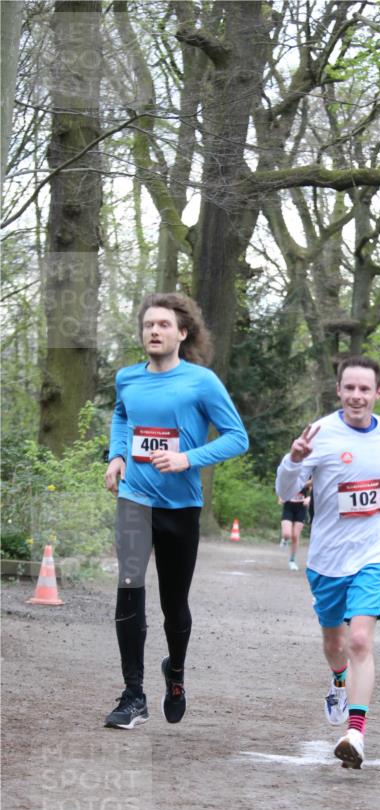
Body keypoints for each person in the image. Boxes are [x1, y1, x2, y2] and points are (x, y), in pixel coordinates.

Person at [103, 292, 248, 729]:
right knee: (129, 588)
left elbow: (237, 437)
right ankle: (133, 695)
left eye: (164, 324)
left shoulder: (201, 382)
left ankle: (176, 673)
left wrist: (189, 458)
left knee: (174, 604)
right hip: (134, 499)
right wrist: (117, 455)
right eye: (149, 325)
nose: (154, 331)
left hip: (180, 506)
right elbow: (122, 416)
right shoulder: (127, 378)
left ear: (182, 333)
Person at [275, 356, 380, 769]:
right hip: (327, 558)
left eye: (365, 389)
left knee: (360, 639)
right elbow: (285, 490)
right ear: (339, 390)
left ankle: (355, 734)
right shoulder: (320, 433)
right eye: (350, 388)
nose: (357, 396)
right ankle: (339, 680)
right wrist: (293, 459)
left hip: (374, 552)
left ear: (378, 393)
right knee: (335, 644)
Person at [278, 481, 311, 570]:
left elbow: (313, 490)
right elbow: (281, 487)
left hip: (301, 509)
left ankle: (292, 560)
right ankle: (284, 540)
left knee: (295, 536)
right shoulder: (290, 475)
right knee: (287, 534)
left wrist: (309, 498)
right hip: (288, 507)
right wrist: (281, 497)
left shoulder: (307, 477)